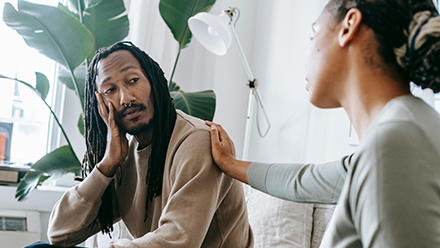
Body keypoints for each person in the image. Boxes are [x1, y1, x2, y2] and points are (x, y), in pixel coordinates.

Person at [206, 0, 440, 247]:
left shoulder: (395, 144)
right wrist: (229, 164)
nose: (308, 50)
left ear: (348, 26)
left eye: (313, 32)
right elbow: (304, 181)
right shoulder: (405, 132)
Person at [35, 41, 253, 248]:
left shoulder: (197, 141)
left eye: (133, 80)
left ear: (153, 81)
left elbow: (179, 241)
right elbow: (60, 233)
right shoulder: (123, 157)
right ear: (100, 105)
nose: (126, 98)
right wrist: (107, 165)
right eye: (110, 90)